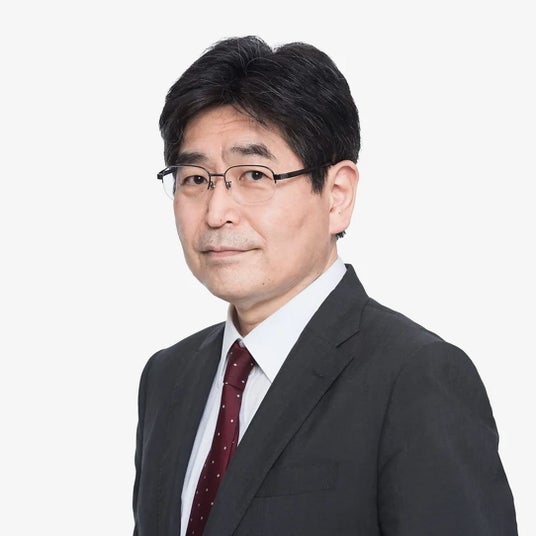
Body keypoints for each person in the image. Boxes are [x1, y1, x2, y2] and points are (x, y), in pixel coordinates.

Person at [133, 35, 517, 536]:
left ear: (336, 196)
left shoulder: (415, 379)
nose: (217, 211)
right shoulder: (168, 377)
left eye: (254, 175)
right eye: (195, 179)